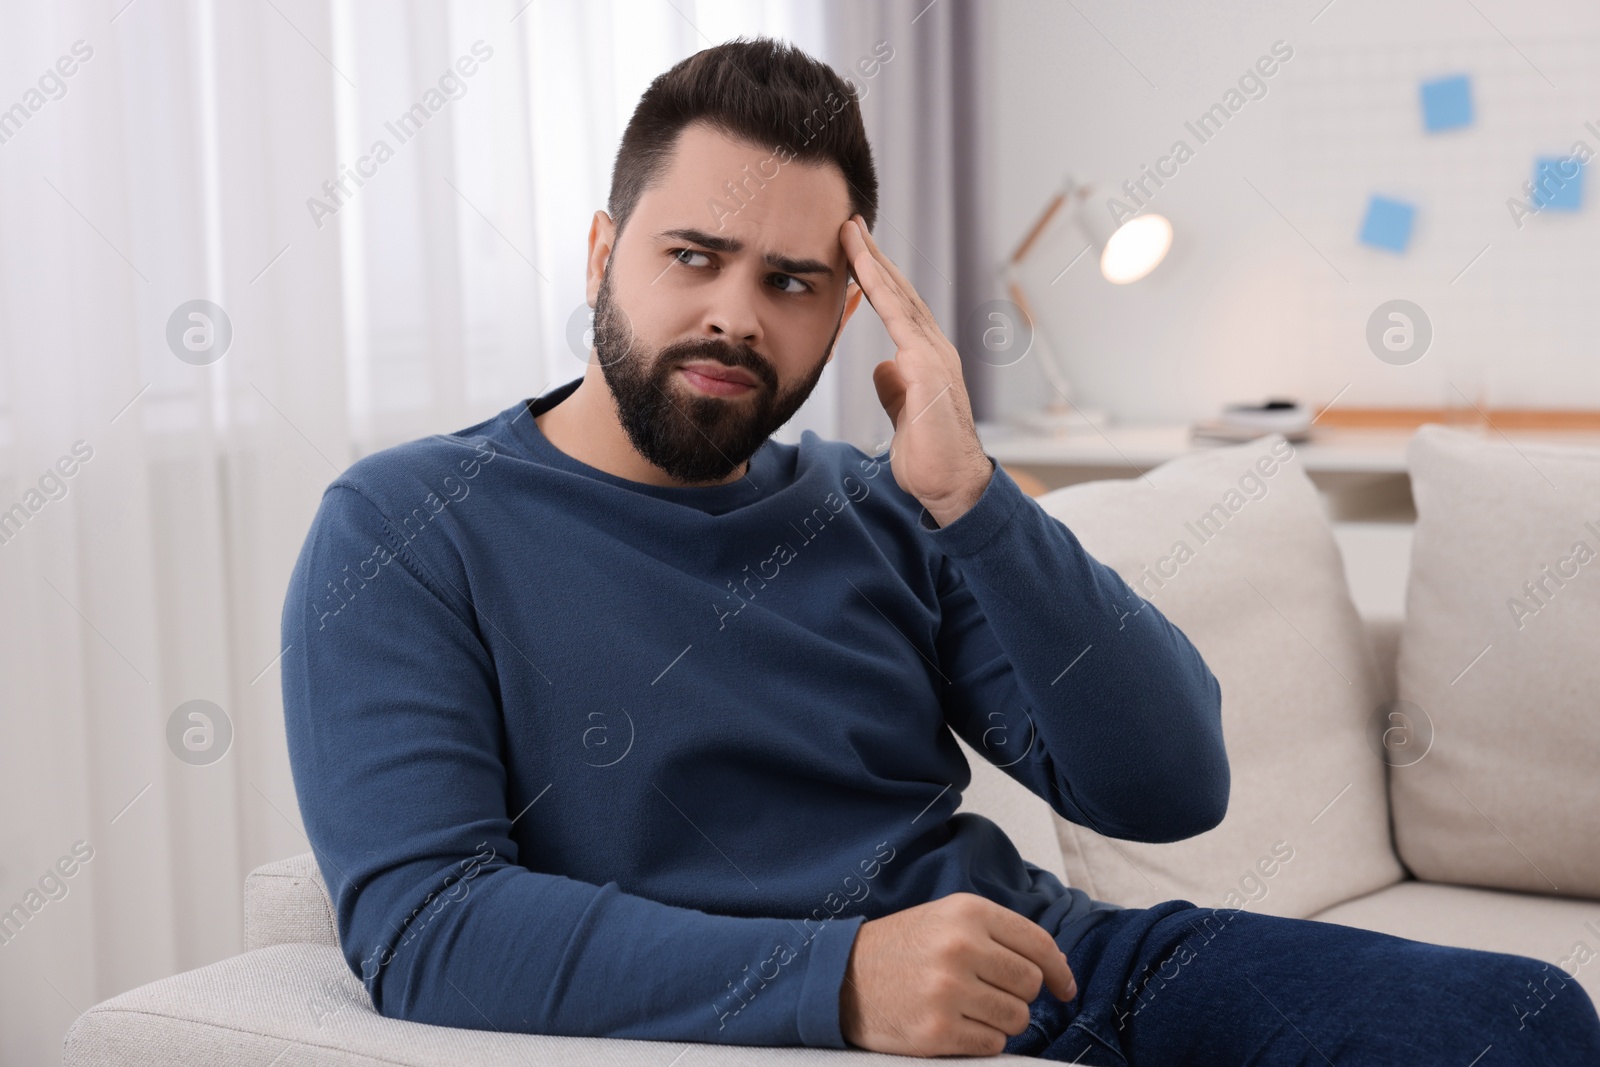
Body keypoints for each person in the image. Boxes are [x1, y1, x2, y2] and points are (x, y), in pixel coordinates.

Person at [280, 37, 1600, 1065]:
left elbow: (1171, 789)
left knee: (1527, 1016)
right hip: (808, 1024)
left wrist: (978, 497)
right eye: (694, 257)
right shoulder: (406, 525)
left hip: (1060, 968)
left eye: (793, 281)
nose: (736, 317)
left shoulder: (883, 505)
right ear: (602, 253)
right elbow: (425, 927)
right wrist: (838, 981)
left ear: (850, 308)